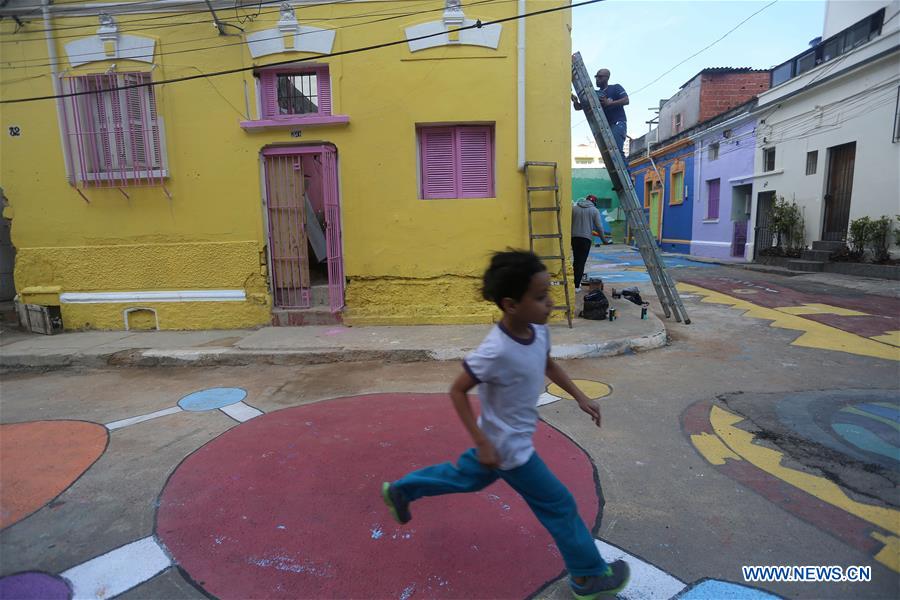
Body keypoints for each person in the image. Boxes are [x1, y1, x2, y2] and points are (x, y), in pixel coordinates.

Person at [381, 251, 630, 600]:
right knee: (559, 504)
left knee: (462, 477)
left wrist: (579, 396)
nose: (550, 303)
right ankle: (588, 577)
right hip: (509, 449)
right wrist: (482, 442)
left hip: (501, 442)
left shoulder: (538, 331)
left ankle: (402, 490)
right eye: (541, 296)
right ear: (511, 305)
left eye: (550, 292)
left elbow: (547, 365)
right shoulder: (495, 350)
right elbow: (457, 391)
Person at [571, 69, 629, 158]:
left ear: (607, 78)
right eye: (596, 77)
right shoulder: (596, 94)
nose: (597, 79)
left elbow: (626, 100)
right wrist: (575, 101)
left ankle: (627, 172)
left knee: (617, 151)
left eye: (600, 77)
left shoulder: (615, 88)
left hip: (618, 123)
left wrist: (610, 103)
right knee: (611, 154)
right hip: (606, 127)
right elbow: (578, 107)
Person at [572, 197, 607, 292]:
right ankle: (576, 286)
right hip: (586, 239)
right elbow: (599, 226)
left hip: (574, 238)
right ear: (594, 202)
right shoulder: (594, 210)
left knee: (576, 260)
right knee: (581, 262)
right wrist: (604, 239)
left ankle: (574, 282)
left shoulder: (574, 208)